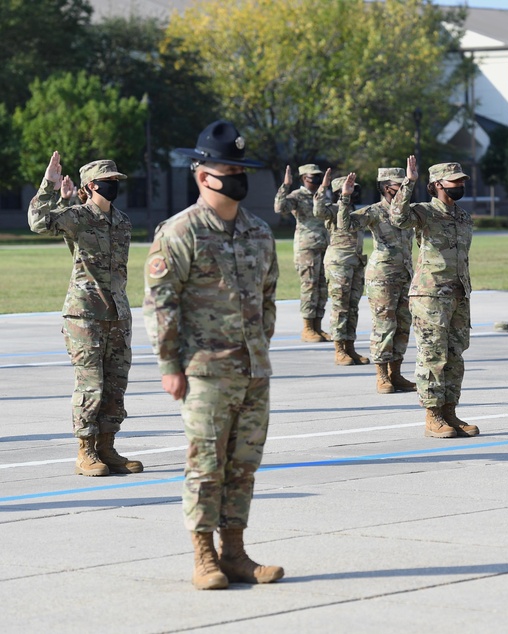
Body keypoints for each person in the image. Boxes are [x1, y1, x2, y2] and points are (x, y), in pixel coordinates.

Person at [144, 120, 283, 590]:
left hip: (252, 370)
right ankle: (203, 558)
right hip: (203, 370)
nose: (239, 176)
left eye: (243, 168)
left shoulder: (259, 232)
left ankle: (236, 554)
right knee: (206, 464)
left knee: (243, 464)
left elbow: (268, 299)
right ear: (203, 174)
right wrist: (169, 366)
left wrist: (259, 351)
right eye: (230, 168)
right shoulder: (180, 231)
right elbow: (160, 302)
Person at [28, 153, 141, 477]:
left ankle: (107, 447)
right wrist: (50, 183)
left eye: (116, 181)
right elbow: (39, 222)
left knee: (115, 386)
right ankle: (86, 451)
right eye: (108, 182)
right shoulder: (77, 216)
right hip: (85, 315)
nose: (113, 186)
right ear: (91, 185)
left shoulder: (123, 222)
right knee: (91, 385)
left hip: (118, 314)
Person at [389, 155, 479, 439]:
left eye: (462, 181)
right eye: (455, 182)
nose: (460, 185)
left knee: (455, 355)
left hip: (458, 293)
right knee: (432, 355)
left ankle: (450, 411)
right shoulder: (424, 212)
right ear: (438, 184)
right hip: (430, 296)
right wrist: (409, 182)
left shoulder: (463, 216)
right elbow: (397, 217)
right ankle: (433, 415)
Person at [338, 167, 417, 393]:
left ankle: (396, 373)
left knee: (403, 325)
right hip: (382, 276)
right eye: (398, 184)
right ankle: (381, 375)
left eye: (405, 184)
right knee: (384, 325)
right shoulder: (374, 211)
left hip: (405, 274)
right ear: (385, 187)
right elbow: (346, 225)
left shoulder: (407, 212)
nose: (403, 188)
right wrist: (345, 197)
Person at [313, 170, 369, 366]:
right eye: (350, 188)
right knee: (340, 307)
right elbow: (318, 211)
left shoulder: (355, 212)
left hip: (355, 263)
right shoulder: (333, 209)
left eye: (355, 189)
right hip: (339, 264)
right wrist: (323, 187)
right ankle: (339, 350)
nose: (354, 192)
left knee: (353, 307)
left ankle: (350, 347)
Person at [274, 163, 332, 343]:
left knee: (322, 287)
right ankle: (307, 328)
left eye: (318, 176)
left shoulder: (322, 195)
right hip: (306, 248)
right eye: (312, 176)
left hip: (324, 246)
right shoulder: (297, 196)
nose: (316, 179)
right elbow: (279, 207)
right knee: (309, 287)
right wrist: (285, 185)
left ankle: (317, 327)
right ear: (303, 179)